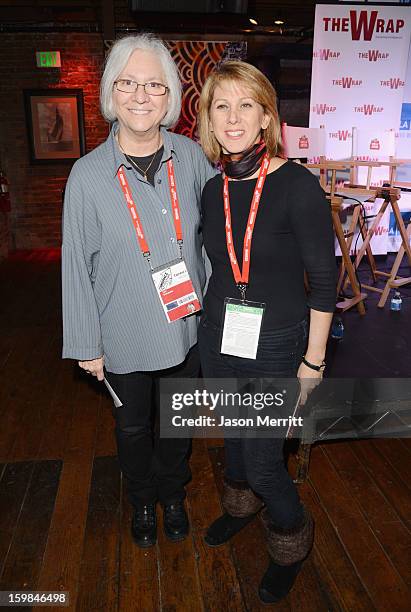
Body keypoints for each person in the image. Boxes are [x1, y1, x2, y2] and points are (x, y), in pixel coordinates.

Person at [62, 34, 216, 549]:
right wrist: (87, 344)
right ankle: (143, 501)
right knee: (131, 432)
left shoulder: (193, 158)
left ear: (170, 98)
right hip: (123, 330)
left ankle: (173, 494)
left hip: (188, 326)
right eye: (128, 83)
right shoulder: (86, 176)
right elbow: (75, 266)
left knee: (177, 426)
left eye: (154, 84)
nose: (141, 96)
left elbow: (217, 236)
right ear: (111, 93)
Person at [197, 61, 337, 603]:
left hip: (279, 343)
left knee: (262, 460)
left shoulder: (297, 184)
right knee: (234, 442)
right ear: (208, 118)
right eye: (220, 106)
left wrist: (314, 362)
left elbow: (323, 284)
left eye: (245, 105)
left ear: (266, 117)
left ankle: (291, 539)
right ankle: (241, 510)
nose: (233, 118)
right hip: (219, 335)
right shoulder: (212, 189)